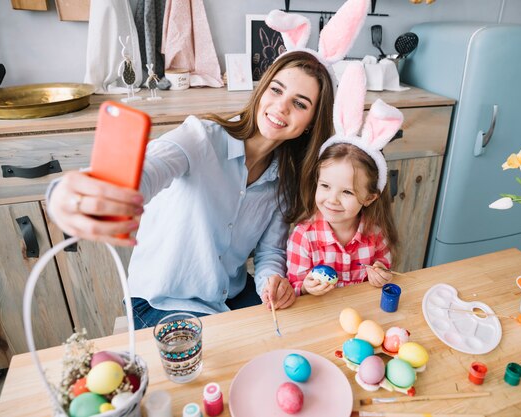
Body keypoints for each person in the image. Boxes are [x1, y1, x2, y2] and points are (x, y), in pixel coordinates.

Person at [46, 0, 369, 328]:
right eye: (276, 90)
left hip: (228, 297)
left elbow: (270, 254)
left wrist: (271, 283)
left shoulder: (285, 179)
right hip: (160, 301)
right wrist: (77, 194)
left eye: (299, 103)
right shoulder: (199, 137)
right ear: (262, 89)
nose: (281, 107)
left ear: (312, 122)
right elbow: (147, 170)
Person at [286, 62, 404, 297]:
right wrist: (306, 287)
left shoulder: (375, 235)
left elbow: (384, 270)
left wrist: (381, 275)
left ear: (370, 197)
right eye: (325, 186)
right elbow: (295, 286)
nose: (332, 199)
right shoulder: (304, 237)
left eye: (347, 192)